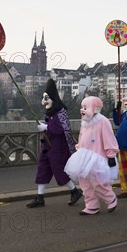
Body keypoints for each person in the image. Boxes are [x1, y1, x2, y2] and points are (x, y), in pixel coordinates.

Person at [26, 79, 82, 208]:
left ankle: (75, 191)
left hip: (58, 147)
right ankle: (40, 197)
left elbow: (63, 129)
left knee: (59, 169)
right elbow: (52, 126)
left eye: (47, 98)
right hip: (47, 146)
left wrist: (46, 128)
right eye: (43, 98)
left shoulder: (61, 112)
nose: (44, 101)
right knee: (42, 169)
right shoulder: (51, 112)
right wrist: (46, 126)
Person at [65, 96, 119, 215]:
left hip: (98, 157)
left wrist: (111, 154)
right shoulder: (84, 122)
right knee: (84, 183)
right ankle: (91, 205)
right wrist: (79, 148)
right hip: (84, 156)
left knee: (98, 182)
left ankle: (110, 198)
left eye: (85, 107)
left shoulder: (103, 121)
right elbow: (82, 136)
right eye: (82, 107)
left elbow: (109, 138)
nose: (82, 110)